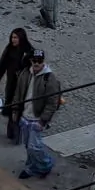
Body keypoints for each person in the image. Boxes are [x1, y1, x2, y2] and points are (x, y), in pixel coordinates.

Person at [19, 50, 63, 179]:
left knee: (34, 146)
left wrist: (43, 120)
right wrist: (16, 110)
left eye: (39, 61)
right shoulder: (26, 73)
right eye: (34, 61)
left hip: (37, 119)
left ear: (43, 61)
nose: (37, 63)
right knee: (28, 145)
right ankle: (32, 165)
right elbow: (19, 92)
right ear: (31, 61)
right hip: (25, 116)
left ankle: (45, 165)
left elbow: (52, 103)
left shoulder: (49, 78)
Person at [0, 27, 36, 141]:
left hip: (23, 84)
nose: (13, 40)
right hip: (11, 82)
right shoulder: (10, 48)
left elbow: (35, 66)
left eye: (16, 37)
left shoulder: (29, 51)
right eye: (12, 37)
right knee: (11, 104)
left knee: (20, 107)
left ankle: (19, 132)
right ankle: (11, 131)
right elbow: (2, 64)